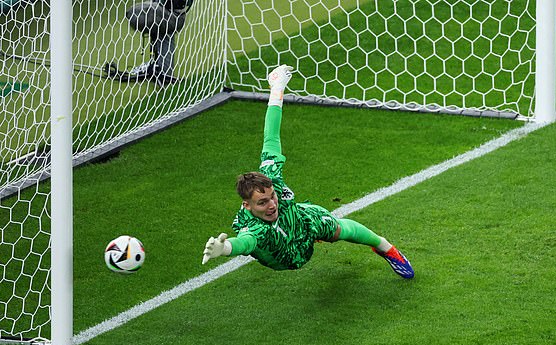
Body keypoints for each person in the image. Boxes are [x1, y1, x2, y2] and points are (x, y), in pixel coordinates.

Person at [202, 65, 414, 278]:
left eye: (272, 197)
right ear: (246, 205)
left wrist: (277, 89)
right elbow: (244, 243)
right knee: (316, 230)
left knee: (340, 230)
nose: (272, 204)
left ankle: (386, 248)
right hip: (286, 257)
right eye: (262, 202)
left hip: (302, 222)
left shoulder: (271, 177)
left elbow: (271, 137)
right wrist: (226, 248)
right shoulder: (255, 229)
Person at [125, 0, 193, 84]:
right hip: (173, 13)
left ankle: (162, 71)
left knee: (136, 13)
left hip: (173, 15)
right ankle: (159, 68)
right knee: (141, 13)